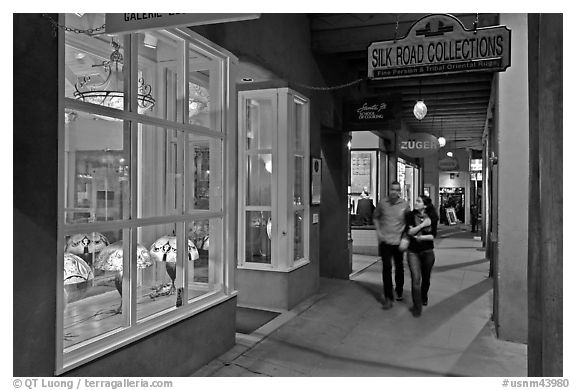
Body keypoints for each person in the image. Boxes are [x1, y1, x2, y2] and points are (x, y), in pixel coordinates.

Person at [373, 181, 411, 309]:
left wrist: (405, 238)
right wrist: (379, 232)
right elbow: (376, 217)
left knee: (399, 267)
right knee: (387, 268)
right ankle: (388, 297)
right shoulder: (382, 203)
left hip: (398, 242)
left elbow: (409, 223)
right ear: (389, 190)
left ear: (399, 191)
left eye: (397, 189)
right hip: (385, 242)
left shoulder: (405, 205)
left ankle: (399, 290)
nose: (394, 192)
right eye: (392, 189)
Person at [405, 195, 438, 317]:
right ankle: (417, 306)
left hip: (428, 251)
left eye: (418, 201)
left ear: (425, 205)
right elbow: (409, 232)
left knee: (426, 279)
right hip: (413, 251)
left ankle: (424, 296)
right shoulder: (409, 215)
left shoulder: (433, 217)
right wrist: (422, 225)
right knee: (415, 278)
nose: (415, 202)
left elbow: (432, 236)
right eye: (416, 200)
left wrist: (419, 237)